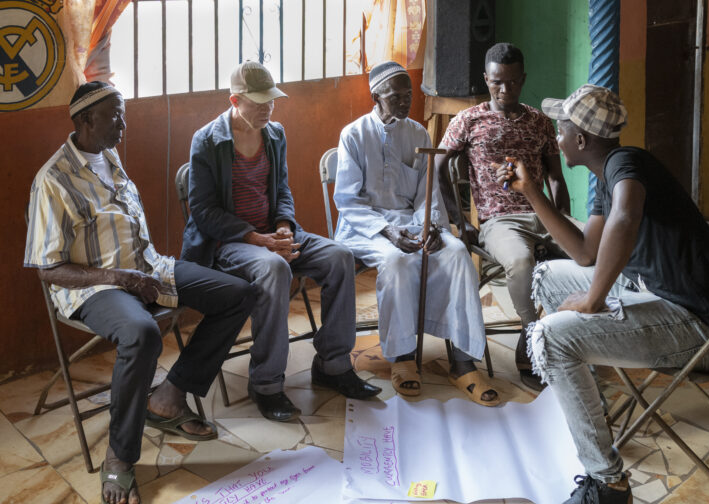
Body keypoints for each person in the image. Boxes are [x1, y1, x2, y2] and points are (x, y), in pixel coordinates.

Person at [495, 84, 709, 504]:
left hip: (701, 329)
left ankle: (608, 487)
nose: (557, 136)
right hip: (665, 301)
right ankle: (589, 407)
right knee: (550, 275)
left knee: (552, 336)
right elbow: (586, 254)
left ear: (582, 140)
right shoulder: (607, 176)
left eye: (562, 128)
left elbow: (627, 218)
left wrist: (594, 301)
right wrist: (532, 193)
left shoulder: (625, 164)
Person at [24, 82, 256, 504]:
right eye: (114, 115)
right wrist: (120, 277)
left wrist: (139, 273)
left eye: (124, 113)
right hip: (95, 286)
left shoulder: (108, 157)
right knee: (142, 333)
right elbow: (47, 267)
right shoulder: (52, 180)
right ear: (83, 121)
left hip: (148, 269)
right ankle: (120, 455)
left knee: (240, 293)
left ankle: (168, 395)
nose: (123, 124)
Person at [182, 61, 380, 421]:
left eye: (270, 100)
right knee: (274, 269)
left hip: (273, 233)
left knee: (339, 256)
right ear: (234, 100)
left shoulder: (274, 133)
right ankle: (267, 383)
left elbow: (282, 190)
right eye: (257, 102)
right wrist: (257, 238)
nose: (267, 108)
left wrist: (285, 225)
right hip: (230, 243)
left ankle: (333, 365)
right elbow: (204, 212)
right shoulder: (207, 140)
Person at [333, 61, 498, 405]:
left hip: (413, 220)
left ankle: (463, 360)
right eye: (397, 95)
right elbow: (347, 200)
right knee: (397, 261)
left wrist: (432, 227)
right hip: (366, 226)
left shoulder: (419, 134)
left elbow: (428, 192)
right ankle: (403, 357)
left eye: (409, 94)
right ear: (376, 95)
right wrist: (388, 232)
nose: (406, 101)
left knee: (454, 255)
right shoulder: (353, 134)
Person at [436, 42, 571, 390]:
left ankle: (572, 338)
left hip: (543, 213)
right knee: (522, 261)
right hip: (500, 221)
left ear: (523, 79)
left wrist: (564, 220)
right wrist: (460, 220)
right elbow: (437, 168)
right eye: (497, 82)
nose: (505, 89)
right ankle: (531, 336)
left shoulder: (539, 122)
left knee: (587, 252)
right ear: (486, 79)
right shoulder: (468, 120)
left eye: (512, 82)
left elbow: (556, 177)